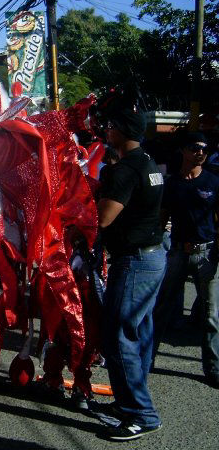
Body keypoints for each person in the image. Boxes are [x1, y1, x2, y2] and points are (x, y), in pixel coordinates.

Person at [97, 93, 166, 440]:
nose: (106, 132)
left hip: (136, 260)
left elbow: (105, 218)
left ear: (122, 131)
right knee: (138, 332)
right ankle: (129, 401)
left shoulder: (124, 170)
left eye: (110, 127)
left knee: (117, 335)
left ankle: (141, 414)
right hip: (153, 255)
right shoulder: (148, 163)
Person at [152, 132, 219, 389]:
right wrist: (158, 246)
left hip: (207, 254)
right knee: (162, 308)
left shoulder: (214, 182)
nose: (200, 152)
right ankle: (148, 359)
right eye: (194, 147)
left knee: (211, 315)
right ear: (183, 151)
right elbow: (162, 216)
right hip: (177, 252)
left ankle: (213, 369)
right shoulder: (172, 185)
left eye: (204, 148)